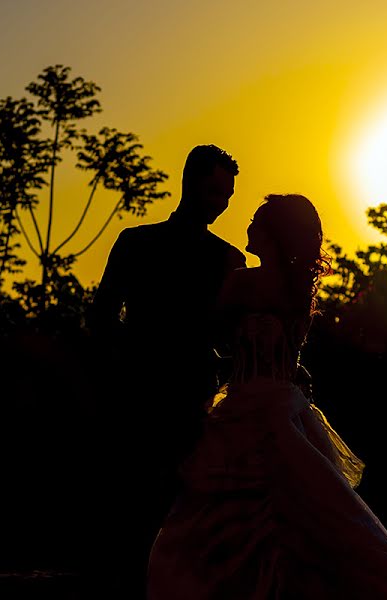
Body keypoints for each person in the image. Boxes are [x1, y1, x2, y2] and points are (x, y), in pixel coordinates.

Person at [146, 194, 387, 599]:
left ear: (274, 233)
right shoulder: (297, 291)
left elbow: (214, 339)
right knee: (309, 512)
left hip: (246, 407)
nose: (249, 226)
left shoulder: (241, 281)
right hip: (286, 406)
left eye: (257, 220)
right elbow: (289, 357)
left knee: (231, 509)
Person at [88, 144, 246, 596]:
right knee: (133, 510)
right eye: (216, 190)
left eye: (228, 195)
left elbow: (231, 338)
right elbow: (101, 318)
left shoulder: (228, 257)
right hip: (137, 398)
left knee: (180, 512)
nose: (222, 202)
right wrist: (127, 366)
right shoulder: (135, 243)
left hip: (194, 403)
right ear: (190, 182)